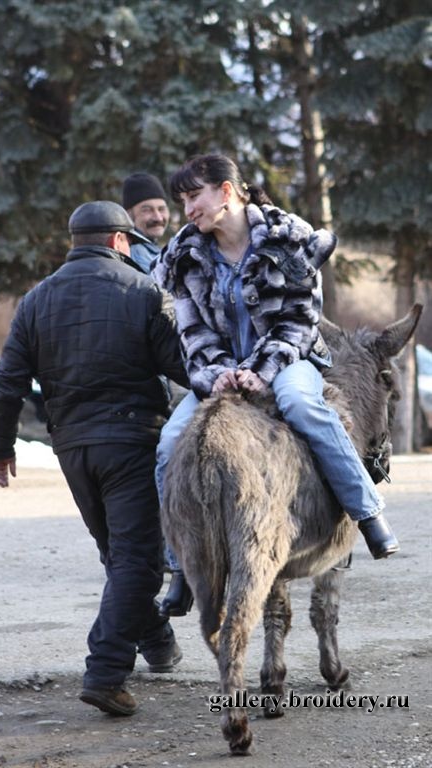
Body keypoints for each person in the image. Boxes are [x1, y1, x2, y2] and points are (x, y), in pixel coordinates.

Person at [153, 153, 400, 618]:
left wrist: (262, 369)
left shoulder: (290, 239)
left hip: (289, 358)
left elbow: (300, 320)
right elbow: (192, 332)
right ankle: (181, 565)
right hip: (221, 372)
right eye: (182, 200)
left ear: (227, 192)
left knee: (302, 404)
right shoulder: (184, 257)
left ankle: (367, 513)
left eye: (194, 197)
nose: (187, 210)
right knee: (169, 441)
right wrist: (219, 370)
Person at [0, 201, 190, 715]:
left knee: (119, 556)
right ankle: (105, 673)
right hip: (133, 442)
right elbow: (183, 366)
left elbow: (7, 384)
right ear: (120, 240)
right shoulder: (144, 291)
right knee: (137, 561)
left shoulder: (36, 299)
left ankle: (157, 642)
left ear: (74, 242)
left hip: (73, 449)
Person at [122, 172, 170, 274]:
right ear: (128, 215)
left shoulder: (152, 250)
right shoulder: (135, 252)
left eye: (161, 209)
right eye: (147, 210)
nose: (158, 218)